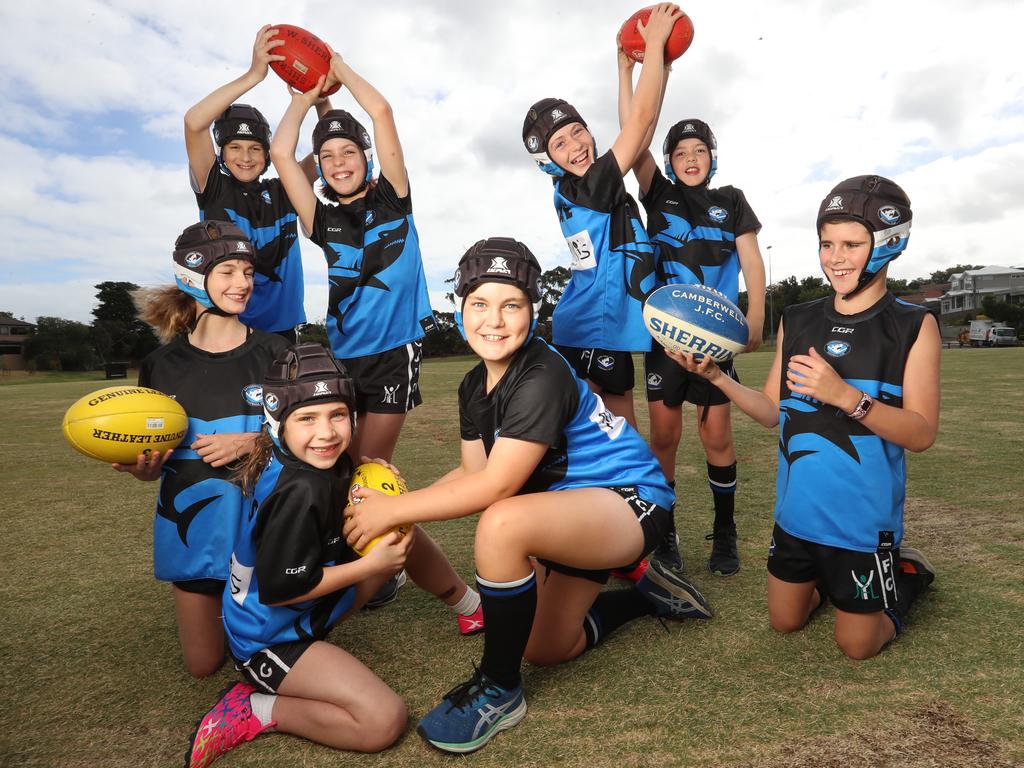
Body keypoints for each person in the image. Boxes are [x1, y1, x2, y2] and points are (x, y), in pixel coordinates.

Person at [343, 238, 712, 754]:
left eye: (511, 304)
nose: (494, 320)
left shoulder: (542, 374)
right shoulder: (473, 385)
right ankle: (643, 595)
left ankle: (500, 689)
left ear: (533, 310)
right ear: (460, 307)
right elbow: (476, 472)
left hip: (628, 502)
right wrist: (403, 498)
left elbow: (494, 488)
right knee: (545, 648)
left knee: (501, 521)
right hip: (568, 512)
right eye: (480, 304)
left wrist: (394, 510)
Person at [670, 176, 939, 660]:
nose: (836, 257)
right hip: (796, 517)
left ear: (889, 244)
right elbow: (773, 412)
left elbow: (920, 434)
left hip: (862, 525)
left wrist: (844, 396)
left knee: (858, 647)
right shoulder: (797, 318)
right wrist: (717, 378)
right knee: (785, 622)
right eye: (827, 243)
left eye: (852, 244)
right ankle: (835, 587)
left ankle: (904, 579)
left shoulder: (912, 325)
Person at [184, 343, 482, 768]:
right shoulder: (298, 490)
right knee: (381, 720)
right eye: (306, 418)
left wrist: (373, 478)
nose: (325, 433)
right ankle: (256, 708)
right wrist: (372, 566)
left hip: (312, 607)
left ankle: (472, 608)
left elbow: (358, 499)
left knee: (392, 524)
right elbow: (282, 590)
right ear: (277, 421)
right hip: (272, 637)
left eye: (337, 415)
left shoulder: (316, 459)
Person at [114, 220, 289, 678]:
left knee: (262, 655)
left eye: (247, 272)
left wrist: (253, 441)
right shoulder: (160, 365)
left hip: (259, 528)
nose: (243, 283)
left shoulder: (276, 351)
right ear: (193, 276)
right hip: (190, 529)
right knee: (204, 665)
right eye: (229, 271)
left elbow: (317, 436)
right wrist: (144, 470)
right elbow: (156, 455)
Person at [618, 64, 767, 576]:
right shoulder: (658, 194)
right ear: (668, 161)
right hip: (666, 340)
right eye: (679, 153)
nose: (689, 159)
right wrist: (635, 67)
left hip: (716, 342)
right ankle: (666, 536)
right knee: (664, 439)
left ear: (712, 156)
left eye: (698, 151)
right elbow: (633, 131)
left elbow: (751, 260)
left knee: (717, 438)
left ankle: (724, 535)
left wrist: (757, 312)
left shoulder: (732, 201)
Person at [269, 49, 435, 467]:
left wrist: (338, 69)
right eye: (327, 156)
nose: (339, 162)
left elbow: (381, 111)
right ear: (320, 169)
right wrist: (302, 100)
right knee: (337, 467)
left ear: (367, 157)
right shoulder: (320, 219)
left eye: (349, 152)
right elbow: (281, 156)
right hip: (341, 356)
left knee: (370, 467)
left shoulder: (394, 197)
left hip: (394, 352)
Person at [520, 3, 683, 428]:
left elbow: (640, 132)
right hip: (595, 325)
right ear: (547, 162)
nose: (575, 144)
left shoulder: (582, 184)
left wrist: (632, 69)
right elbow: (641, 122)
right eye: (559, 143)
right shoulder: (590, 187)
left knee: (615, 435)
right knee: (612, 437)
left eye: (577, 130)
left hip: (597, 324)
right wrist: (653, 44)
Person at [184, 25, 327, 340]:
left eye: (254, 148)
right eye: (235, 147)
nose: (245, 156)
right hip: (226, 327)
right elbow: (194, 123)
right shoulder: (214, 188)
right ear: (221, 152)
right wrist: (254, 75)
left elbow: (327, 151)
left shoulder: (285, 188)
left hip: (281, 331)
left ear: (267, 155)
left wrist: (320, 99)